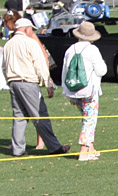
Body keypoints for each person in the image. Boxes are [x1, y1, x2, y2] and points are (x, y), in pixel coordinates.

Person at [3, 18, 70, 157]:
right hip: (28, 82)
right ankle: (54, 147)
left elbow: (4, 66)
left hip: (13, 82)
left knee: (19, 116)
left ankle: (18, 150)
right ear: (27, 29)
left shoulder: (8, 44)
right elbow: (40, 65)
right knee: (40, 115)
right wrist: (47, 84)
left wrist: (9, 81)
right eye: (31, 29)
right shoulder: (30, 43)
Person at [61, 21, 106, 161]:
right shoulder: (92, 50)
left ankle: (91, 148)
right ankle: (84, 150)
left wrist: (66, 91)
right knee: (89, 119)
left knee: (86, 118)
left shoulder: (70, 49)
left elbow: (65, 71)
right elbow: (101, 70)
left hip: (73, 90)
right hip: (89, 90)